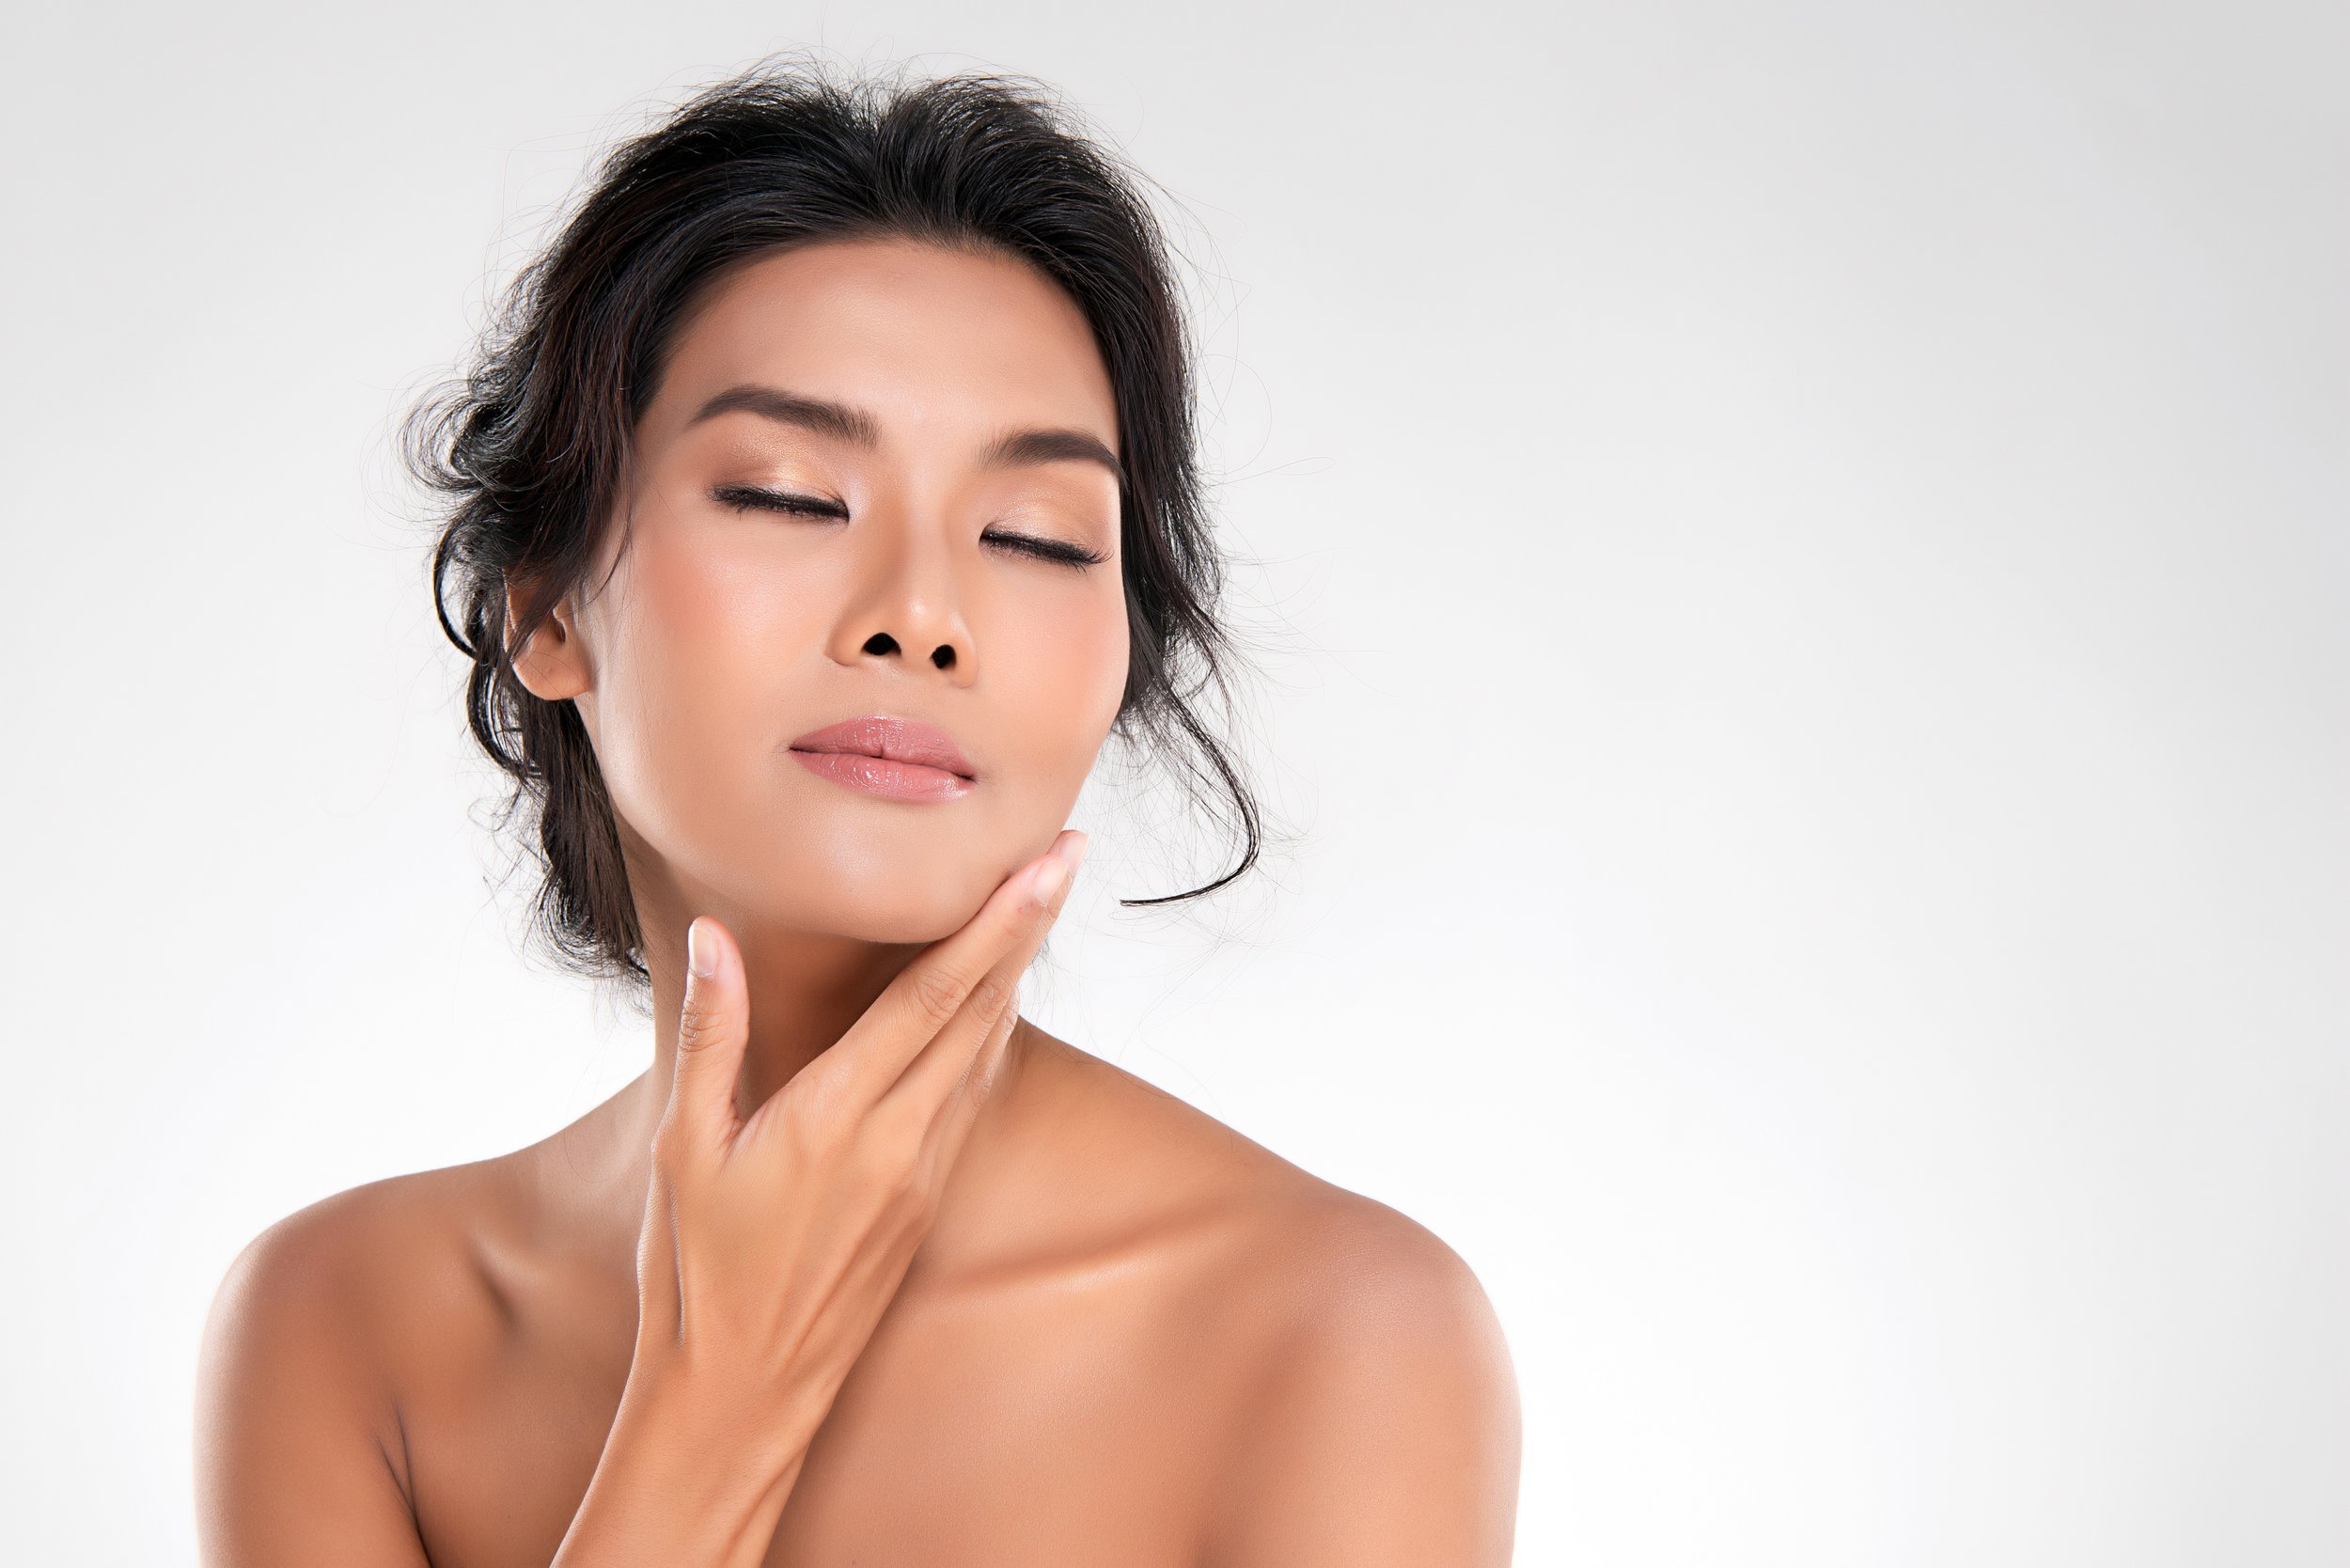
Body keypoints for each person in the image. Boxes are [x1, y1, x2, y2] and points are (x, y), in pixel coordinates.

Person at [194, 59, 1522, 1567]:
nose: (921, 615)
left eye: (1037, 536)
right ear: (547, 610)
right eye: (786, 496)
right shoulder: (347, 1326)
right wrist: (715, 1401)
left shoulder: (1335, 1330)